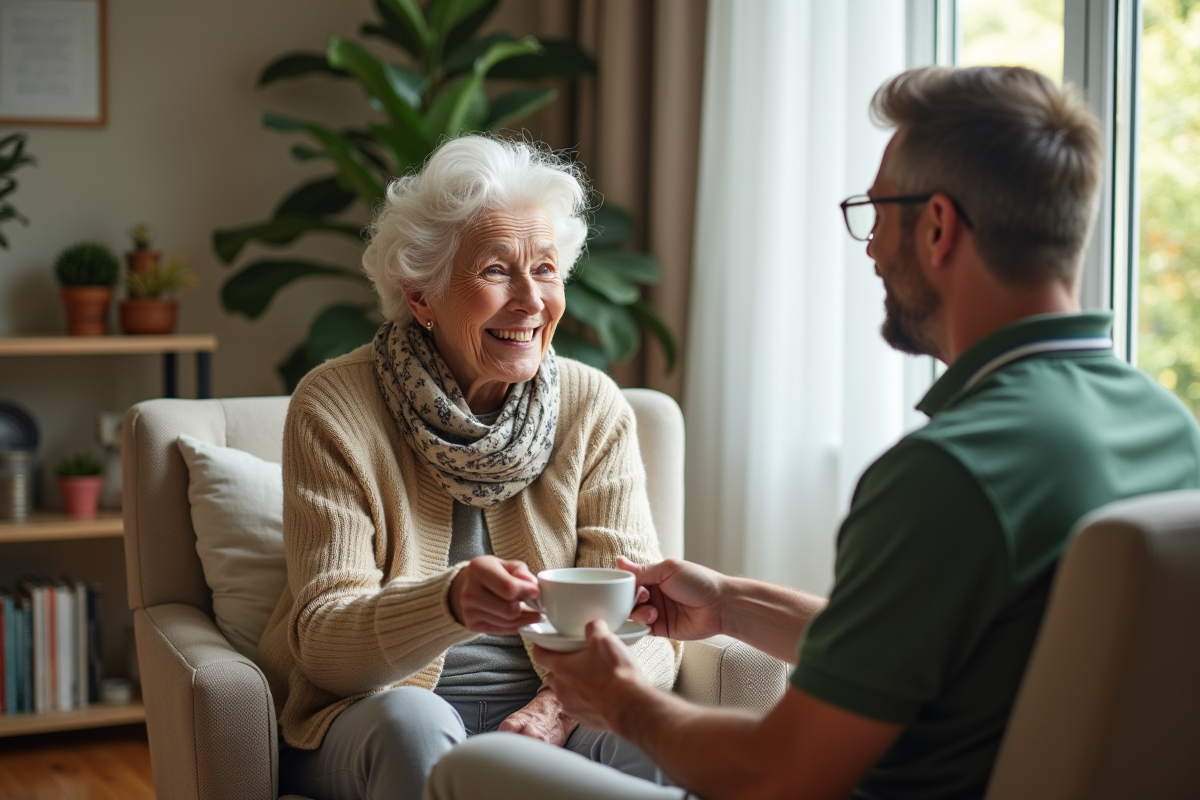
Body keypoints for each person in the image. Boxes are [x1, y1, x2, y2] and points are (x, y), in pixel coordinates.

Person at [424, 66, 1200, 800]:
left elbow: (776, 778)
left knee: (475, 770)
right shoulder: (1167, 429)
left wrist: (617, 697)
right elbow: (956, 650)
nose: (869, 249)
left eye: (878, 213)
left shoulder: (951, 475)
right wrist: (729, 603)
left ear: (937, 227)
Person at [255, 134, 682, 800]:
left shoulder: (591, 406)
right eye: (495, 270)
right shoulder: (336, 404)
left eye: (544, 268)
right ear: (421, 295)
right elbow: (324, 644)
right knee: (416, 722)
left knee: (650, 734)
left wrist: (555, 712)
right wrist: (448, 602)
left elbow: (646, 624)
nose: (530, 299)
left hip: (552, 712)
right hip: (378, 712)